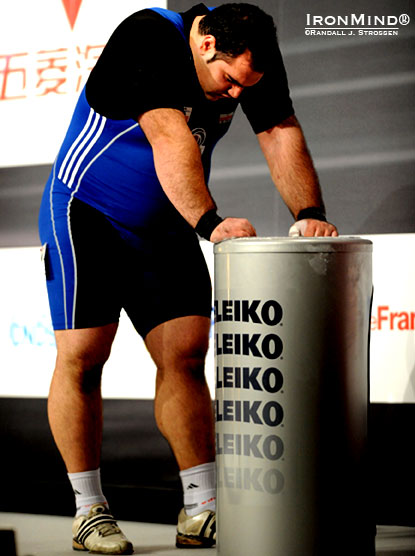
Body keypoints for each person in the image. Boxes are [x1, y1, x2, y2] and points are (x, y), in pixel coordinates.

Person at [38, 3, 338, 554]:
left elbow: (278, 131)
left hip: (166, 220)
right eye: (228, 82)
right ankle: (89, 510)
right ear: (205, 47)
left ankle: (200, 507)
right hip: (86, 211)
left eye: (244, 87)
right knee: (83, 356)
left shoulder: (249, 64)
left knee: (184, 353)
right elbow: (169, 137)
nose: (234, 97)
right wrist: (210, 223)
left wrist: (308, 213)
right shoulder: (149, 36)